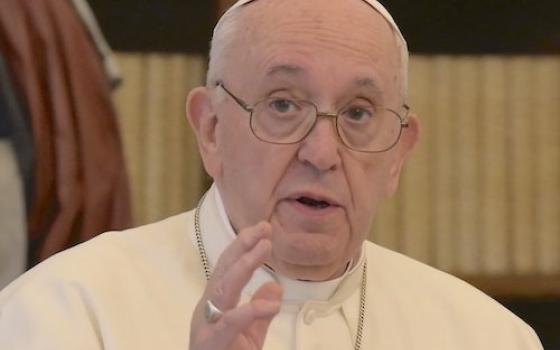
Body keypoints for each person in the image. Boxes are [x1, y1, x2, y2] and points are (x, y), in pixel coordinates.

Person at [0, 0, 544, 349]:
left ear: (398, 152)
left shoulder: (489, 336)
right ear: (210, 130)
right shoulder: (65, 311)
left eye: (357, 113)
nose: (322, 152)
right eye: (284, 104)